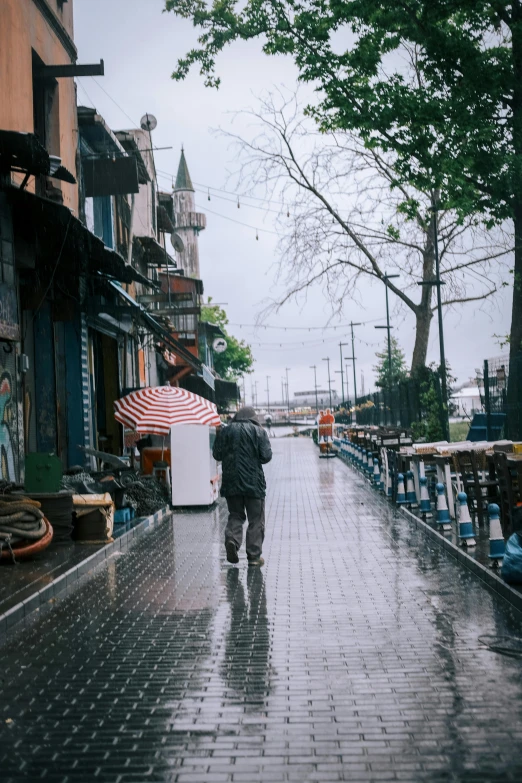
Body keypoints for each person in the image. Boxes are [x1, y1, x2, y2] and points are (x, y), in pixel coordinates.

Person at [212, 406, 272, 566]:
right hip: (254, 484)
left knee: (236, 515)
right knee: (256, 519)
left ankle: (232, 540)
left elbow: (217, 454)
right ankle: (253, 556)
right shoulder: (258, 431)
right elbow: (266, 456)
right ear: (253, 418)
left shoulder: (226, 431)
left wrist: (219, 436)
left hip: (232, 483)